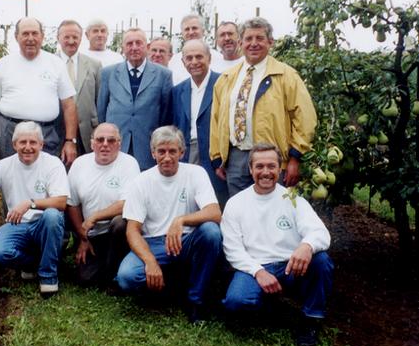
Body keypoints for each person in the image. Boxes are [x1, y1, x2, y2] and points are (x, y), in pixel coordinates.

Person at [220, 143, 333, 346]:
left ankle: (311, 320)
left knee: (321, 260)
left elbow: (320, 233)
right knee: (237, 302)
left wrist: (306, 246)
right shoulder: (236, 203)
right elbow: (232, 250)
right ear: (250, 169)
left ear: (279, 168)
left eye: (271, 166)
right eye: (259, 166)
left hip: (290, 267)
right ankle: (268, 305)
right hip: (255, 268)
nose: (265, 172)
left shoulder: (292, 198)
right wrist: (258, 272)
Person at [116, 126, 222, 323]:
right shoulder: (140, 181)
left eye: (172, 151)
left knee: (211, 232)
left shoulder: (196, 173)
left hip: (186, 240)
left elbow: (215, 213)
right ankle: (167, 288)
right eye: (161, 151)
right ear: (153, 153)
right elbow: (132, 230)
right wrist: (150, 261)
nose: (167, 157)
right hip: (153, 243)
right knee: (126, 277)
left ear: (182, 152)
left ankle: (196, 300)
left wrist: (181, 220)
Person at [210, 17, 317, 197]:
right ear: (240, 43)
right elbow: (216, 120)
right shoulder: (226, 79)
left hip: (272, 159)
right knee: (241, 211)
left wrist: (294, 158)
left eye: (259, 38)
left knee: (272, 210)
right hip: (235, 159)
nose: (253, 44)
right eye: (248, 39)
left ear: (270, 42)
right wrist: (217, 157)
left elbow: (305, 117)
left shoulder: (286, 75)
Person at [0, 121, 69, 298]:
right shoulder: (3, 166)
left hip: (43, 224)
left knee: (52, 216)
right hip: (16, 225)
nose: (27, 147)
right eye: (22, 142)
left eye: (33, 142)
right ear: (14, 145)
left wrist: (30, 203)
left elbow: (61, 203)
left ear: (41, 145)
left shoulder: (53, 164)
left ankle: (48, 276)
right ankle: (32, 263)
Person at [0, 17, 78, 167]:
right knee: (11, 180)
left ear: (42, 36)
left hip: (46, 133)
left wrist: (70, 141)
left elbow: (69, 105)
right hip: (10, 134)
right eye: (25, 34)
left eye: (35, 33)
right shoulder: (3, 64)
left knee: (45, 179)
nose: (31, 39)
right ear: (16, 37)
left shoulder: (56, 64)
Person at [67, 123, 140, 287]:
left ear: (119, 144)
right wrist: (83, 238)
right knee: (85, 280)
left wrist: (95, 216)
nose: (105, 144)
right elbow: (72, 204)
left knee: (120, 222)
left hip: (117, 233)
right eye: (100, 140)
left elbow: (127, 203)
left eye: (111, 140)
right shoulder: (79, 164)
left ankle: (116, 271)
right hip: (92, 234)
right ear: (92, 143)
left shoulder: (129, 163)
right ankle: (107, 268)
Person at [97, 28, 173, 171]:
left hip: (146, 144)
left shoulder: (163, 75)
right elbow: (101, 109)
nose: (134, 48)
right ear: (123, 48)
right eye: (129, 44)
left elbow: (166, 113)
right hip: (116, 143)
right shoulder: (108, 73)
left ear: (147, 47)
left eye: (139, 43)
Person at [172, 39, 228, 206]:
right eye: (189, 58)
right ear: (183, 62)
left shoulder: (223, 83)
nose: (194, 62)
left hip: (214, 154)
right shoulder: (177, 90)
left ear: (209, 58)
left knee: (216, 201)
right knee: (188, 201)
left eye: (199, 57)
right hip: (187, 153)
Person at [57, 19, 102, 154]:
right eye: (66, 37)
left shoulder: (94, 65)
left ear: (81, 38)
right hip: (58, 131)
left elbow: (99, 99)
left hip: (87, 132)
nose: (71, 41)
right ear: (58, 38)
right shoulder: (50, 64)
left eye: (75, 37)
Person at [167, 14, 223, 85]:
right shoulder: (174, 61)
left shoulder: (218, 57)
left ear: (203, 31)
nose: (191, 32)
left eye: (194, 28)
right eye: (187, 29)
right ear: (182, 33)